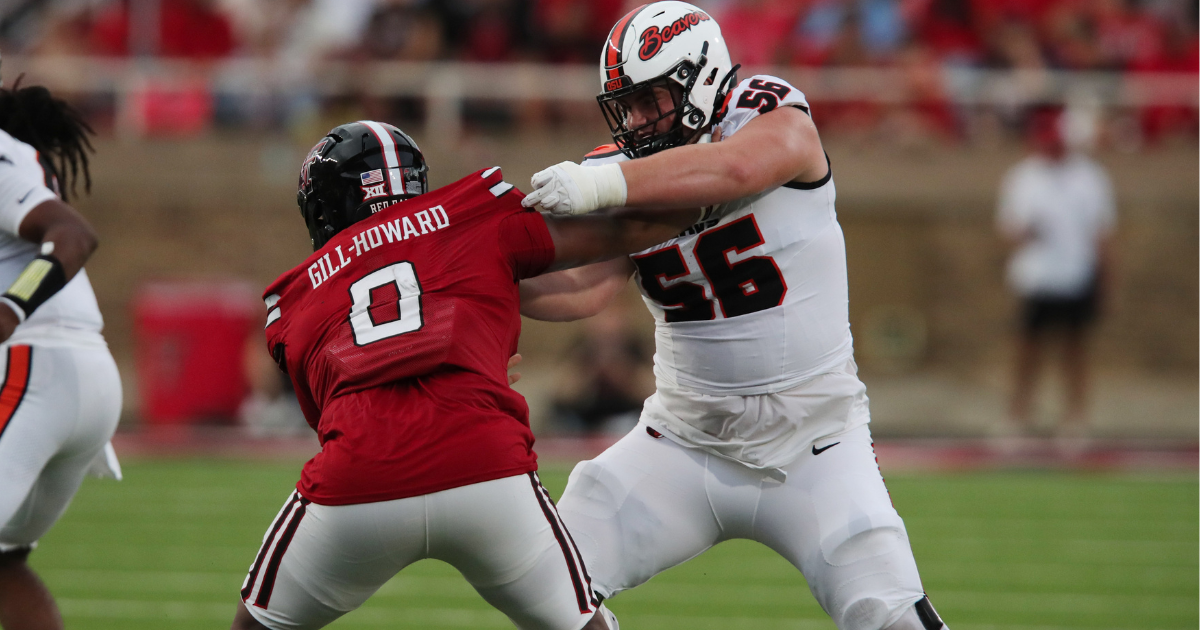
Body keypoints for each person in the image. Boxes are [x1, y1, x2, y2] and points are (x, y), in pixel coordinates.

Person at [518, 3, 947, 630]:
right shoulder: (618, 170)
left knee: (890, 616)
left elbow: (737, 167)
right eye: (626, 106)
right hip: (685, 442)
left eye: (651, 100)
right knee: (543, 586)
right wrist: (479, 284)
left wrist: (600, 189)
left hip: (816, 446)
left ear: (700, 80)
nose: (635, 120)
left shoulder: (771, 116)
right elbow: (580, 288)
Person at [231, 120, 698, 630]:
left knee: (255, 624)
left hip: (361, 476)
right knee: (583, 623)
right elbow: (602, 255)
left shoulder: (295, 300)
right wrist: (705, 189)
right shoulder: (471, 213)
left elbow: (330, 409)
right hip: (486, 464)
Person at [0, 81, 122, 630]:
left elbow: (72, 235)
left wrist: (9, 308)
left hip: (36, 369)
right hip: (80, 374)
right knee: (3, 563)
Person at [995, 108, 1115, 443]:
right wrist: (1026, 232)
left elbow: (1102, 233)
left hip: (1076, 275)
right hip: (1036, 277)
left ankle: (1075, 419)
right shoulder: (1024, 176)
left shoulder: (1090, 177)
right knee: (1027, 350)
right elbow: (1009, 227)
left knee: (1074, 349)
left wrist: (1105, 280)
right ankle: (1018, 415)